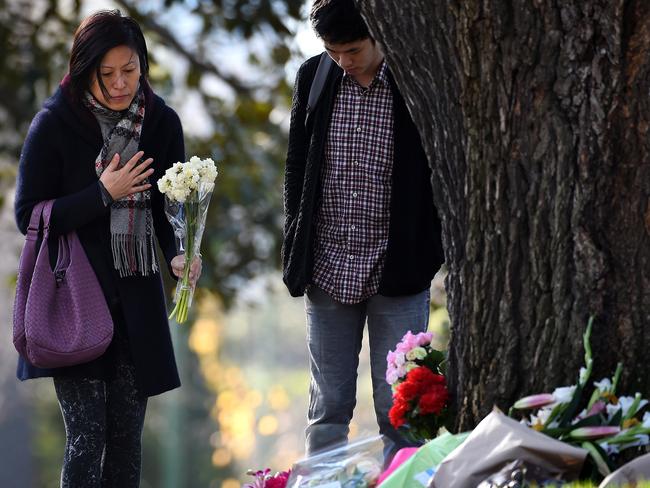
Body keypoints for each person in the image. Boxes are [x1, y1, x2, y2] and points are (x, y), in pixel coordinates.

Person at [14, 10, 200, 487]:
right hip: (75, 299)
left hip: (135, 301)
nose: (120, 84)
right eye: (107, 74)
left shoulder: (160, 123)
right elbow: (28, 214)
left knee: (125, 448)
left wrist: (179, 254)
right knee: (85, 441)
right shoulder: (54, 124)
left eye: (130, 70)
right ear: (85, 71)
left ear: (143, 65)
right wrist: (103, 193)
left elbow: (167, 208)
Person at [282, 0, 445, 459]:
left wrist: (428, 251)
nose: (343, 61)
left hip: (399, 269)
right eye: (334, 51)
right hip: (329, 265)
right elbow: (297, 166)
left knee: (400, 408)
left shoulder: (417, 79)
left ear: (379, 32)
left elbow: (442, 170)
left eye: (352, 50)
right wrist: (297, 242)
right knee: (328, 407)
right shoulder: (315, 76)